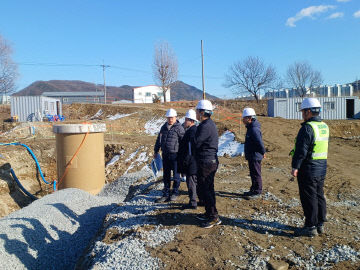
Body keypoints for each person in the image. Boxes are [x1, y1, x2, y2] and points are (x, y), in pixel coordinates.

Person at [291, 98, 329, 237]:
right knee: (319, 195)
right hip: (321, 167)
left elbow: (301, 151)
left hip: (308, 169)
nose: (302, 114)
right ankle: (320, 224)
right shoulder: (324, 126)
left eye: (303, 111)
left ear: (308, 111)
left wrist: (295, 167)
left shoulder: (307, 128)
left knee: (309, 197)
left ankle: (310, 226)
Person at [192, 100, 221, 228]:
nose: (196, 113)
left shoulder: (205, 126)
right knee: (208, 189)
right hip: (208, 161)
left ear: (202, 112)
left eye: (197, 111)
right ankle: (209, 213)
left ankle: (214, 217)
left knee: (206, 190)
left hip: (207, 162)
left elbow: (196, 142)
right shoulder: (208, 124)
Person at [154, 108, 185, 202]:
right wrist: (156, 151)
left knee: (176, 175)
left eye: (172, 117)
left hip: (176, 155)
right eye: (168, 118)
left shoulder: (179, 128)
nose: (170, 119)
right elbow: (158, 140)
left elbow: (183, 142)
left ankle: (175, 192)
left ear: (175, 117)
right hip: (165, 155)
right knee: (166, 175)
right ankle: (166, 193)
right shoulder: (163, 127)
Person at [242, 108, 266, 199]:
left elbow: (259, 142)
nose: (243, 120)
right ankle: (253, 189)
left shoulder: (254, 129)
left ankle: (257, 191)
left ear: (249, 118)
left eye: (244, 118)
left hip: (255, 155)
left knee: (256, 173)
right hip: (252, 155)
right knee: (253, 173)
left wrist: (263, 152)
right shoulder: (251, 128)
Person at [177, 109, 199, 209]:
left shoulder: (191, 132)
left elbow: (190, 150)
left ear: (191, 120)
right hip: (192, 162)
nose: (184, 122)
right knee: (194, 182)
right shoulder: (192, 130)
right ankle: (197, 200)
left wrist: (185, 163)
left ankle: (193, 202)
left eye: (186, 120)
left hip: (191, 162)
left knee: (191, 182)